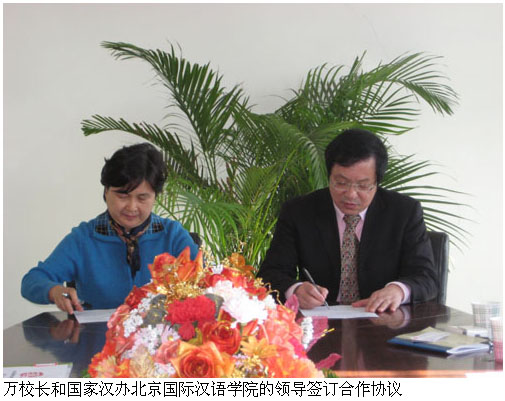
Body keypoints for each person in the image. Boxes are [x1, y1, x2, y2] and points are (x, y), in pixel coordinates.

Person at [257, 128, 438, 313]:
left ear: (377, 182)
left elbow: (427, 278)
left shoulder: (403, 212)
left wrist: (398, 290)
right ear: (329, 176)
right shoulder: (299, 211)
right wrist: (295, 290)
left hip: (382, 320)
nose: (351, 194)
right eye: (341, 183)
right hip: (320, 320)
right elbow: (270, 274)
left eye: (363, 185)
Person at [21, 143, 199, 314]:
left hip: (162, 333)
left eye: (142, 198)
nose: (132, 207)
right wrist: (54, 291)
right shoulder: (84, 238)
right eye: (123, 195)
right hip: (97, 333)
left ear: (155, 197)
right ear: (106, 191)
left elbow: (204, 284)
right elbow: (32, 280)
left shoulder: (172, 236)